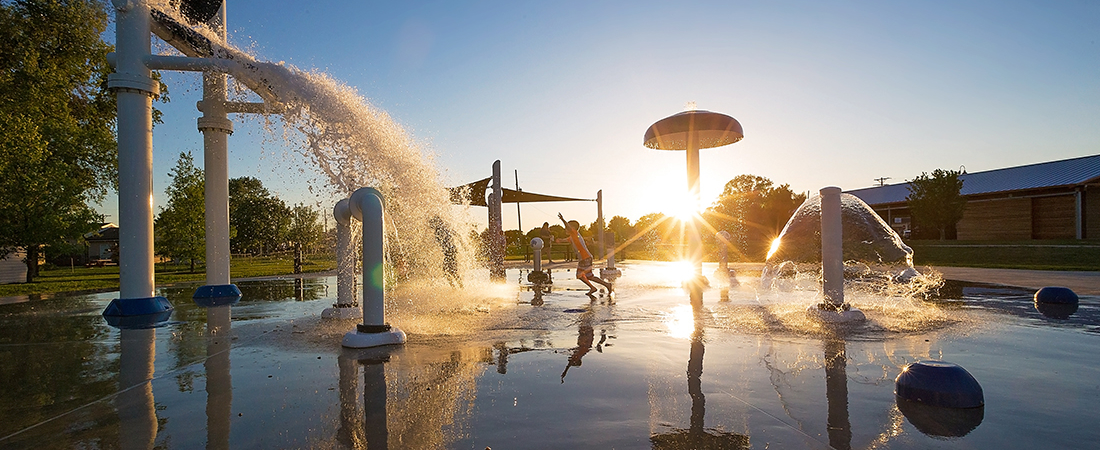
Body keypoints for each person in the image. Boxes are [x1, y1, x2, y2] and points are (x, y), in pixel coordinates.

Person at [558, 212, 613, 296]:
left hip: (585, 258)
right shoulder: (573, 236)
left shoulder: (575, 233)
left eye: (567, 227)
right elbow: (566, 240)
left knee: (580, 275)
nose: (566, 228)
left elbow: (569, 228)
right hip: (585, 258)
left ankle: (595, 287)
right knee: (589, 276)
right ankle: (605, 285)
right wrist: (560, 240)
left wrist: (563, 220)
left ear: (572, 228)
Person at [429, 216, 462, 288]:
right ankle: (458, 287)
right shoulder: (444, 228)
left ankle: (458, 287)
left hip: (450, 252)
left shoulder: (439, 230)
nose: (431, 225)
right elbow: (456, 234)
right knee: (450, 271)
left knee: (448, 271)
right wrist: (462, 243)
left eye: (432, 223)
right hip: (451, 252)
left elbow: (444, 240)